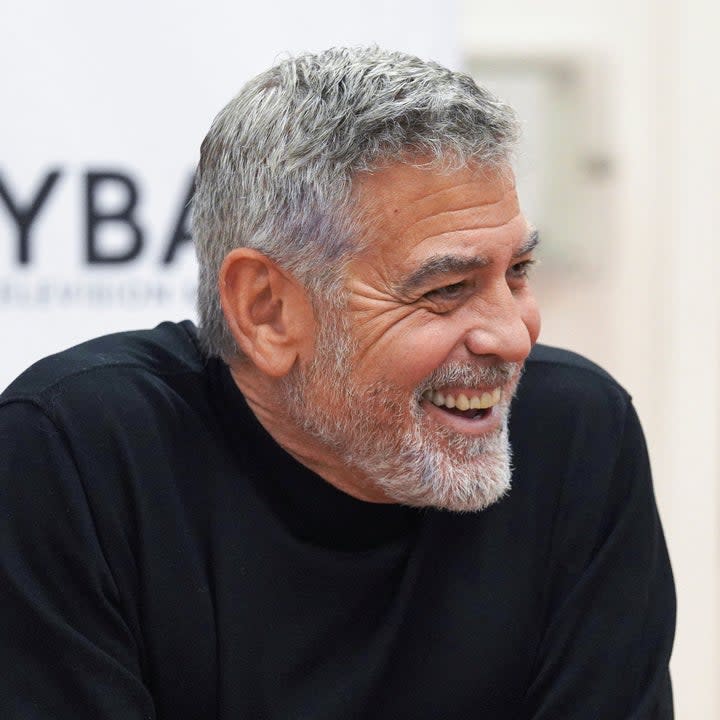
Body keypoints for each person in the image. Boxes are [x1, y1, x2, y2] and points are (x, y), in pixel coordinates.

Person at [0, 47, 674, 719]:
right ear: (267, 309)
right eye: (445, 289)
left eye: (518, 272)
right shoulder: (72, 454)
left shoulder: (577, 433)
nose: (513, 335)